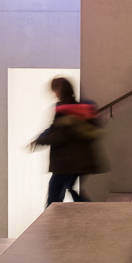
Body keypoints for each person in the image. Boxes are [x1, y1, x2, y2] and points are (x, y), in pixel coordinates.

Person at [29, 77, 105, 206]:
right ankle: (87, 209)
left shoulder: (64, 109)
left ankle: (88, 210)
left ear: (59, 90)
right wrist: (39, 139)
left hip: (66, 161)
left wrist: (40, 141)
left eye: (55, 90)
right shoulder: (85, 107)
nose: (54, 94)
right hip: (80, 160)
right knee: (68, 187)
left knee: (54, 196)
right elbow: (55, 129)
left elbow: (60, 134)